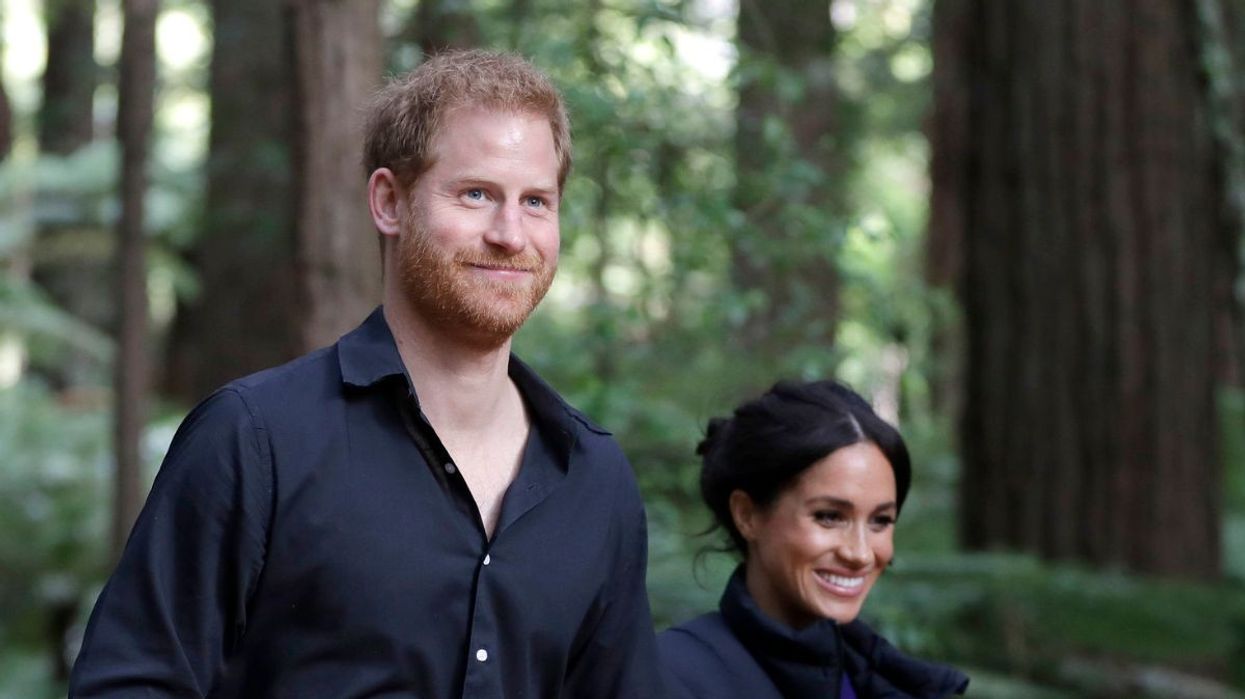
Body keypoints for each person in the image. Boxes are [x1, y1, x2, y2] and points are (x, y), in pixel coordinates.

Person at [70, 50, 665, 698]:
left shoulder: (593, 477)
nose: (510, 233)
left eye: (537, 202)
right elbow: (129, 684)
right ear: (388, 201)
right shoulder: (256, 439)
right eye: (476, 194)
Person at [658, 380, 969, 699]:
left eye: (880, 521)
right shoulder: (668, 675)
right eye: (829, 516)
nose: (860, 553)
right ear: (747, 515)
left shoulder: (879, 676)